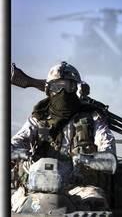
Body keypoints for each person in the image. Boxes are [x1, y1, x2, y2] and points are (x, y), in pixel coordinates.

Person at [11, 61, 116, 212]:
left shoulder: (92, 117)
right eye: (57, 87)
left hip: (78, 188)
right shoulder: (38, 118)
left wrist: (95, 159)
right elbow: (19, 140)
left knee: (97, 202)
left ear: (76, 89)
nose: (62, 92)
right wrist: (15, 151)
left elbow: (107, 147)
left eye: (68, 87)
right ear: (49, 90)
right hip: (36, 186)